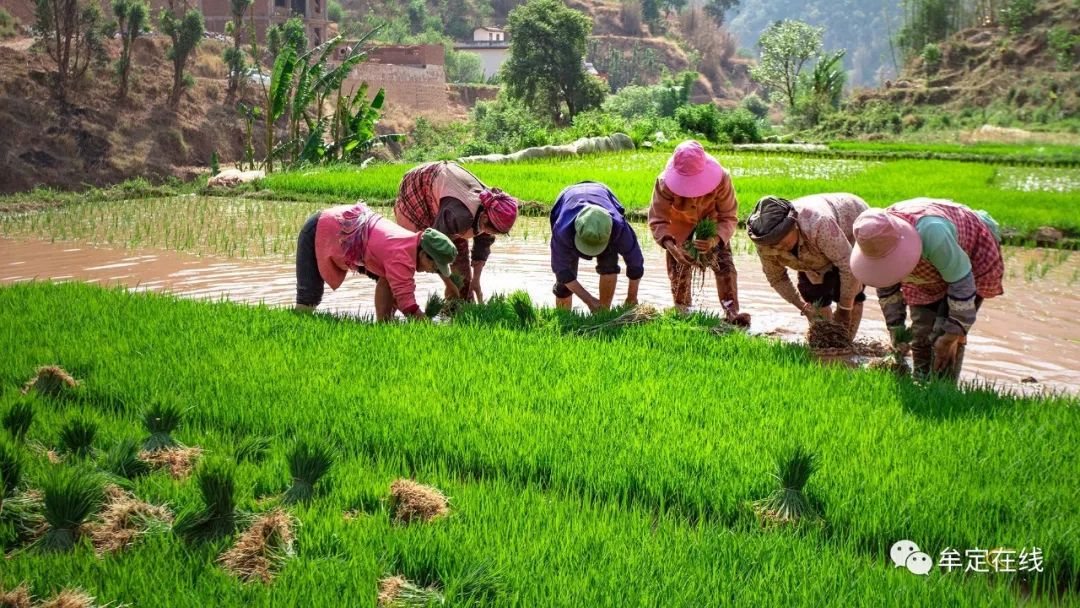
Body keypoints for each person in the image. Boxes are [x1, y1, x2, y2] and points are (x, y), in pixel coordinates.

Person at [850, 198, 1004, 382]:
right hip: (927, 267)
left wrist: (950, 337)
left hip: (968, 258)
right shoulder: (874, 236)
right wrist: (896, 329)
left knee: (945, 334)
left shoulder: (932, 232)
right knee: (921, 334)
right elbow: (886, 285)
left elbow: (962, 284)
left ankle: (945, 390)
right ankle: (921, 382)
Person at [295, 202, 458, 320]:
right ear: (424, 254)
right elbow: (407, 304)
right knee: (308, 299)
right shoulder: (401, 256)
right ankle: (296, 331)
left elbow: (397, 289)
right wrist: (427, 325)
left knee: (387, 280)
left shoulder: (409, 241)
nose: (432, 270)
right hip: (318, 229)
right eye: (434, 266)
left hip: (339, 225)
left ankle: (383, 325)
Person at [649, 140, 749, 325]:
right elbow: (658, 219)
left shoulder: (722, 178)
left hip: (711, 228)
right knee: (678, 271)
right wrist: (671, 246)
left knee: (725, 266)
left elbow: (728, 216)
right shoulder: (664, 183)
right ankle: (683, 311)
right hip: (678, 231)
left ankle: (732, 312)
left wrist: (715, 239)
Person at [394, 160, 520, 303]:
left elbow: (483, 244)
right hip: (420, 185)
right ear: (484, 218)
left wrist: (475, 281)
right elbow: (434, 246)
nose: (492, 235)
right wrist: (449, 284)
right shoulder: (459, 215)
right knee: (416, 254)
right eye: (493, 231)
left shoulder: (490, 208)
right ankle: (400, 304)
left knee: (462, 276)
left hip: (451, 197)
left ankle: (460, 305)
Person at [746, 193, 869, 336]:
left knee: (850, 295)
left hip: (851, 223)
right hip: (814, 251)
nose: (777, 248)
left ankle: (847, 344)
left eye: (781, 241)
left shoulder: (819, 224)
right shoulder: (764, 242)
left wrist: (844, 309)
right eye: (773, 245)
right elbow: (777, 278)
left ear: (794, 227)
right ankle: (824, 341)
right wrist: (803, 307)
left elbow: (849, 267)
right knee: (813, 295)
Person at [549, 182, 644, 312]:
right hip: (568, 199)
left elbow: (636, 263)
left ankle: (603, 312)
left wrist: (632, 297)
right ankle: (564, 315)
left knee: (609, 265)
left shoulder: (618, 227)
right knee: (565, 279)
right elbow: (561, 271)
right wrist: (589, 300)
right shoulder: (562, 229)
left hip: (602, 194)